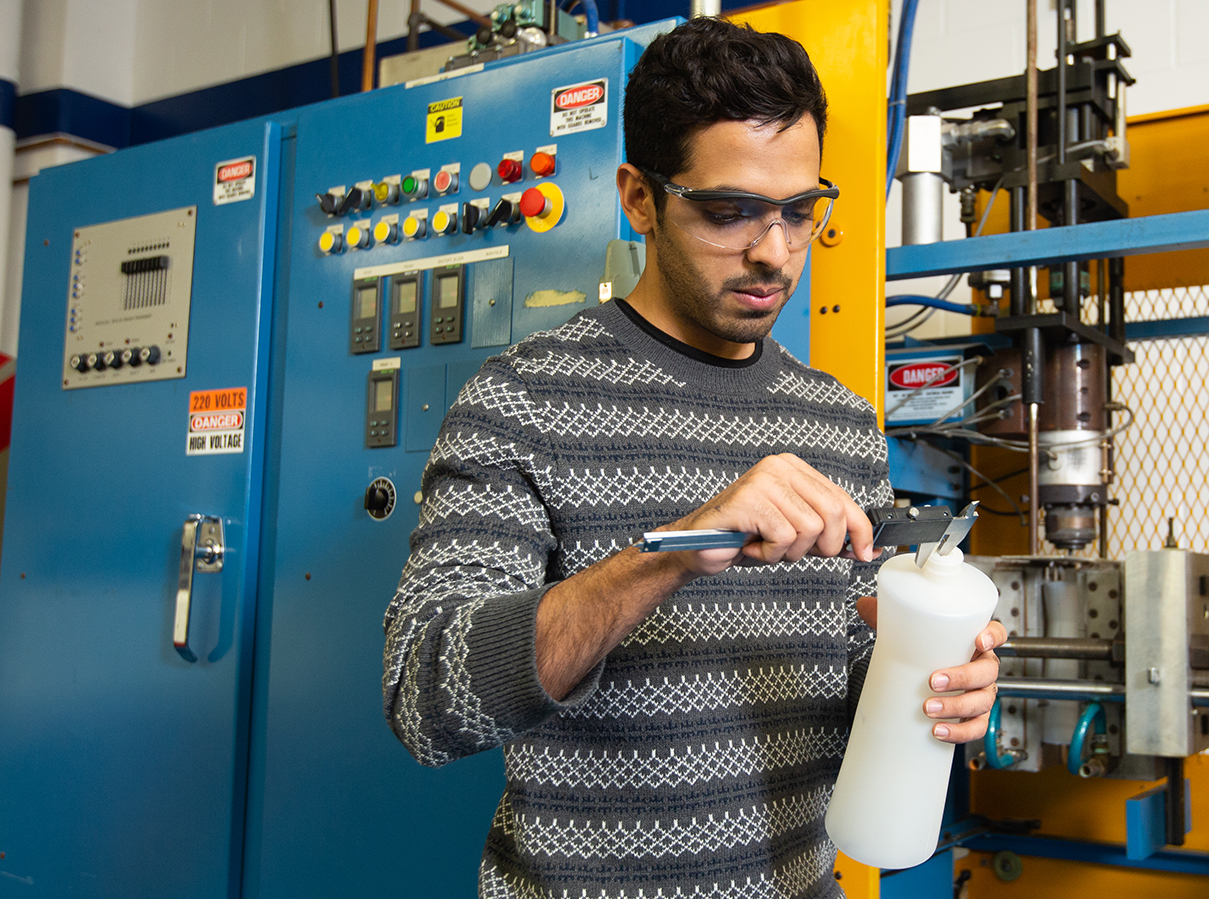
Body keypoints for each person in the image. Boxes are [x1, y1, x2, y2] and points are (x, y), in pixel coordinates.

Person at [383, 18, 1007, 898]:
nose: (773, 250)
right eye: (728, 212)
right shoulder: (521, 403)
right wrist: (671, 550)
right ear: (640, 199)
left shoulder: (841, 425)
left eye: (799, 210)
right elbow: (425, 701)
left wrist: (938, 683)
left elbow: (840, 691)